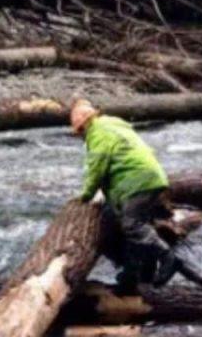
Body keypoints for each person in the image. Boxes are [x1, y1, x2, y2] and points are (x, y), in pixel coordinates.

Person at [71, 99, 179, 293]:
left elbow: (97, 167)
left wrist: (86, 195)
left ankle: (167, 257)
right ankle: (140, 279)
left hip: (136, 181)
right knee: (134, 232)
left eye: (80, 131)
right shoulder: (116, 126)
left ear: (84, 124)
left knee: (132, 225)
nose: (81, 136)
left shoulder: (97, 132)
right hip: (152, 178)